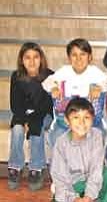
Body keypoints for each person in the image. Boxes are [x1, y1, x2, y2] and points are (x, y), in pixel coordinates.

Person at [42, 38, 107, 148]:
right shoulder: (64, 71)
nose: (78, 58)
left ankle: (91, 164)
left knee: (99, 137)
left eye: (83, 54)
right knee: (56, 137)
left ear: (90, 57)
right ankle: (63, 163)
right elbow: (46, 82)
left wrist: (100, 87)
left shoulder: (94, 72)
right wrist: (53, 87)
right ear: (69, 58)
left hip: (92, 122)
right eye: (74, 55)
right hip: (65, 122)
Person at [8, 42, 54, 191]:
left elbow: (47, 106)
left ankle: (36, 168)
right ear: (22, 60)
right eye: (27, 57)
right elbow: (15, 105)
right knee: (17, 129)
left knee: (37, 127)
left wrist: (32, 119)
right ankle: (15, 167)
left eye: (36, 57)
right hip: (23, 114)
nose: (32, 61)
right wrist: (24, 120)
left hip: (43, 114)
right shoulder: (16, 76)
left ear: (41, 59)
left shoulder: (49, 76)